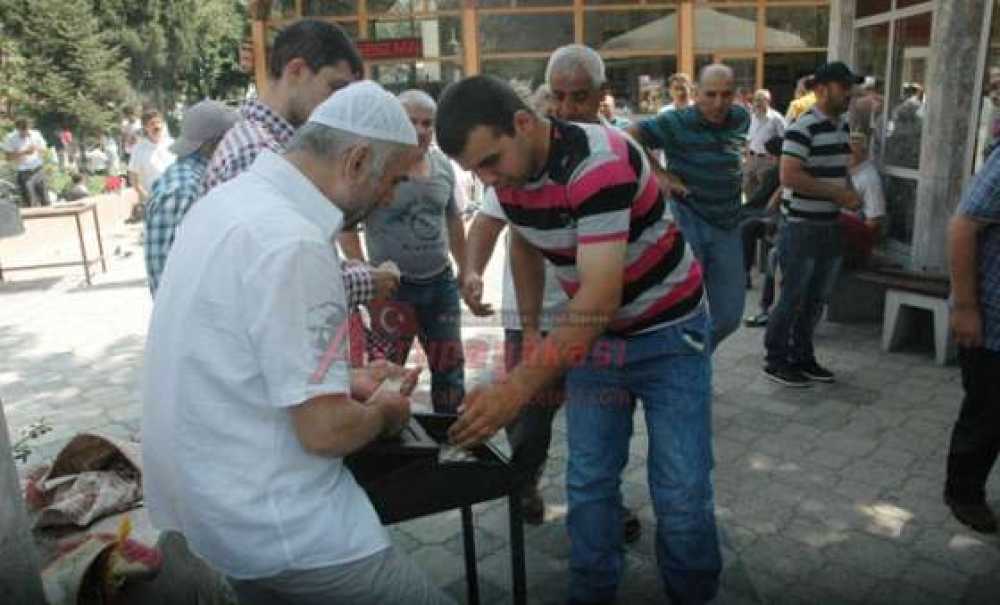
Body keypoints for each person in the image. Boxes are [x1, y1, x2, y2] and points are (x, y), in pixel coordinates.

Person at [142, 81, 454, 605]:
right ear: (357, 161)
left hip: (205, 508)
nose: (390, 197)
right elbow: (326, 431)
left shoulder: (226, 202)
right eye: (393, 179)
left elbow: (243, 357)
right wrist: (385, 412)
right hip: (275, 522)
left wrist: (346, 379)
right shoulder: (294, 240)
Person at [437, 75, 718, 605]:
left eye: (490, 162)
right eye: (475, 171)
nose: (488, 181)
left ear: (523, 123)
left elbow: (598, 299)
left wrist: (515, 388)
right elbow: (524, 241)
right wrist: (532, 329)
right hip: (594, 339)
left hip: (669, 334)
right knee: (588, 484)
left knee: (682, 490)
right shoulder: (509, 172)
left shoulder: (599, 162)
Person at [467, 44, 643, 539]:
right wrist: (473, 271)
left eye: (578, 97)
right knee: (530, 419)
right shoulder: (518, 157)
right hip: (535, 315)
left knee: (603, 422)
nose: (567, 108)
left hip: (597, 318)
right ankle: (522, 483)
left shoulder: (611, 153)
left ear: (601, 95)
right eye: (558, 97)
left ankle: (603, 502)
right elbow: (490, 223)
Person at [202, 19, 394, 314]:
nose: (343, 107)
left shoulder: (270, 145)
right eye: (336, 88)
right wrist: (366, 281)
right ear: (296, 71)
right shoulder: (258, 153)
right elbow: (279, 283)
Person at [342, 89, 467, 413]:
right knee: (387, 371)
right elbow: (346, 227)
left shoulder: (442, 166)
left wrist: (467, 270)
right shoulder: (374, 170)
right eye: (412, 122)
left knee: (450, 366)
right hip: (392, 289)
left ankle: (450, 435)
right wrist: (368, 278)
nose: (421, 130)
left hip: (440, 284)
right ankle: (385, 433)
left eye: (428, 123)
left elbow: (453, 219)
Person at [627, 63, 750, 349]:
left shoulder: (740, 118)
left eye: (726, 94)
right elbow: (629, 135)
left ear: (735, 94)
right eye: (710, 94)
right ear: (696, 93)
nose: (718, 103)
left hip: (728, 224)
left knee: (729, 315)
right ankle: (681, 364)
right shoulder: (676, 121)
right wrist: (660, 174)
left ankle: (693, 358)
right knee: (683, 307)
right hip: (688, 218)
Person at [762, 62, 863, 387]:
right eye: (843, 86)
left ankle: (802, 356)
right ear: (821, 89)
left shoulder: (842, 125)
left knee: (817, 298)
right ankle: (776, 360)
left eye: (850, 86)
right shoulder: (802, 126)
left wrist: (848, 192)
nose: (849, 93)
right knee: (792, 296)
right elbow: (789, 176)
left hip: (830, 225)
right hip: (801, 226)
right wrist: (838, 194)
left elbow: (837, 169)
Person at [944, 146, 1000, 535]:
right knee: (987, 416)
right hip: (991, 321)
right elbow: (962, 226)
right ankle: (963, 494)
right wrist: (965, 307)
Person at [143, 100, 240, 295]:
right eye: (234, 139)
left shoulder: (202, 180)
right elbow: (164, 277)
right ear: (214, 144)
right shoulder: (182, 191)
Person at [840, 131, 886, 268]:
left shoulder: (869, 179)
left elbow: (874, 221)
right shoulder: (849, 171)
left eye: (853, 149)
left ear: (863, 152)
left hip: (852, 243)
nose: (846, 155)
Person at [127, 109, 175, 223]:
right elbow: (133, 179)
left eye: (159, 122)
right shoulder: (138, 149)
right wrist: (149, 198)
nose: (157, 126)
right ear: (145, 127)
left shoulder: (172, 144)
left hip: (175, 200)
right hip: (154, 204)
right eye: (152, 124)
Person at [744, 89, 786, 200]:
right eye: (755, 100)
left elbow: (784, 140)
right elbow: (749, 137)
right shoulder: (752, 116)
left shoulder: (776, 118)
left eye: (760, 100)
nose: (756, 103)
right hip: (752, 159)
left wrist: (777, 159)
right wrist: (747, 156)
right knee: (748, 188)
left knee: (764, 190)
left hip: (767, 161)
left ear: (768, 101)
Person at [3, 118, 50, 207]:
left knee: (45, 198)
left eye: (27, 129)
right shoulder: (10, 138)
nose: (26, 132)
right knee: (29, 199)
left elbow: (44, 149)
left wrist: (37, 148)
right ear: (17, 129)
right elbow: (8, 157)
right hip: (24, 172)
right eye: (23, 130)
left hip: (38, 169)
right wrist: (24, 152)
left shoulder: (36, 134)